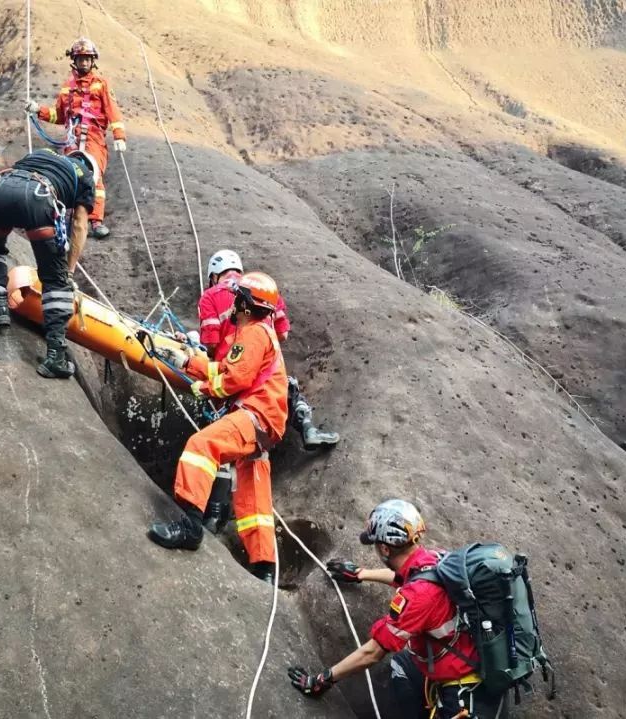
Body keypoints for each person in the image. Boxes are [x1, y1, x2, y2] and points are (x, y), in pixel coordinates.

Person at [287, 500, 507, 719]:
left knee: (396, 659)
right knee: (401, 663)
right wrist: (361, 573)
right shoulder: (438, 559)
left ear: (384, 548)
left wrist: (322, 680)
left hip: (466, 696)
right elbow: (405, 576)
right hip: (474, 661)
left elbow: (372, 653)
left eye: (375, 545)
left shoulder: (417, 596)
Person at [148, 272, 288, 584]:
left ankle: (190, 526)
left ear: (247, 305)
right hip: (267, 422)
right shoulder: (262, 334)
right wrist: (186, 362)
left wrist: (205, 389)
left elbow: (234, 379)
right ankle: (265, 568)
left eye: (239, 300)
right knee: (254, 498)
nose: (234, 305)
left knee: (201, 446)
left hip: (256, 414)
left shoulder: (253, 333)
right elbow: (225, 368)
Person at [0, 147, 98, 378]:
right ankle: (55, 356)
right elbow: (80, 224)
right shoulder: (86, 176)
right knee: (55, 279)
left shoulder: (41, 154)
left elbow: (20, 171)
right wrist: (68, 271)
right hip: (37, 199)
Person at [199, 250, 339, 451]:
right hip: (266, 374)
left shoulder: (210, 296)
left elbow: (210, 343)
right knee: (289, 388)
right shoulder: (266, 291)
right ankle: (308, 428)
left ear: (213, 275)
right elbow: (283, 334)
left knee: (224, 431)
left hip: (230, 374)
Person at [24, 37, 126, 239]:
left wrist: (119, 136)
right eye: (81, 59)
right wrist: (38, 110)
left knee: (93, 176)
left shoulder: (101, 84)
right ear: (74, 60)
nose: (84, 63)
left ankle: (96, 221)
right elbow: (59, 115)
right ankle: (66, 219)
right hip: (72, 139)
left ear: (93, 60)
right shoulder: (66, 89)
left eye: (87, 59)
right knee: (70, 176)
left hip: (93, 138)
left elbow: (112, 110)